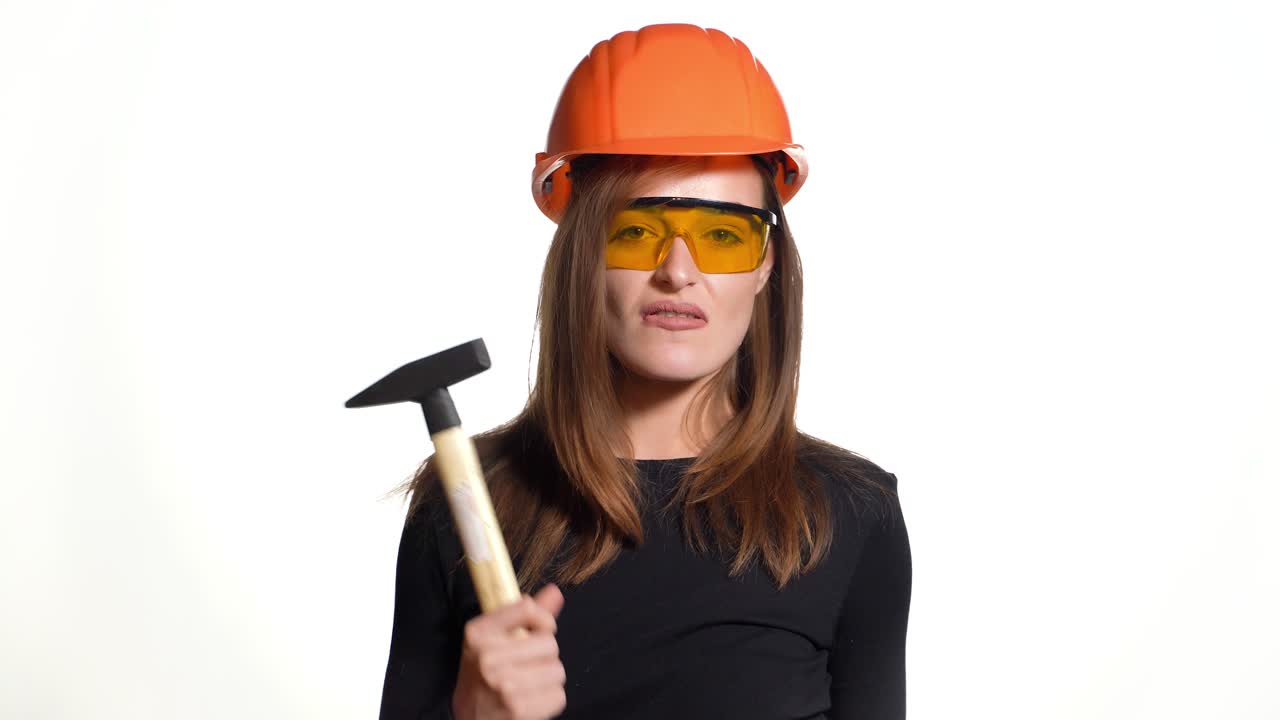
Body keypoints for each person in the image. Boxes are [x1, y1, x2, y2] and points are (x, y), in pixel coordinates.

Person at [378, 23, 912, 720]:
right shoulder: (467, 498)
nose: (678, 273)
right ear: (580, 256)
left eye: (723, 236)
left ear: (766, 266)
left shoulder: (850, 515)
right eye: (636, 231)